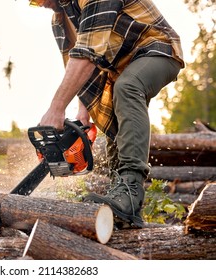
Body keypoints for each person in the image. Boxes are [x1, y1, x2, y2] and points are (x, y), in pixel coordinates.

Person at [27, 0, 184, 227]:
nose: (39, 4)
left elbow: (87, 55)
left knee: (127, 88)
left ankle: (130, 189)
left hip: (157, 47)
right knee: (112, 114)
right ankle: (121, 203)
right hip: (118, 69)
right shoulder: (60, 19)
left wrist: (56, 109)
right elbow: (75, 66)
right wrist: (83, 113)